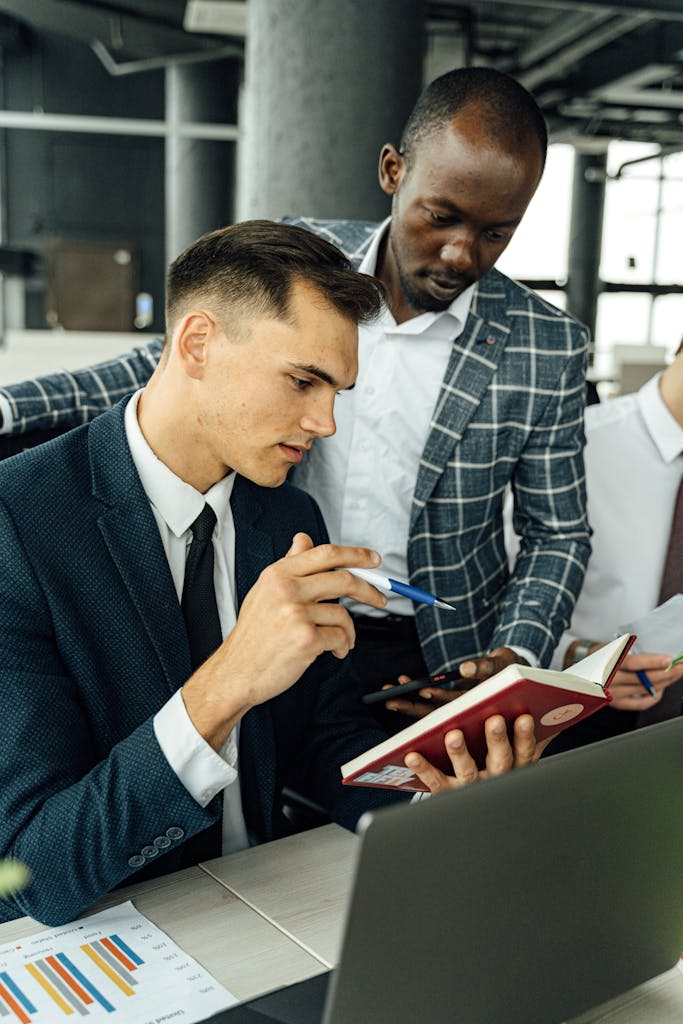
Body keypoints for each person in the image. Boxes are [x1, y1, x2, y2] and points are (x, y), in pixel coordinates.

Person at [0, 68, 591, 729]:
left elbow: (557, 532)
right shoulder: (306, 267)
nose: (460, 254)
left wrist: (513, 656)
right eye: (441, 217)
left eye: (495, 233)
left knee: (415, 821)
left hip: (443, 653)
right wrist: (7, 407)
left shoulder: (549, 346)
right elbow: (162, 365)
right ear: (393, 171)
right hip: (275, 612)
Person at [0, 221, 550, 927]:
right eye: (302, 381)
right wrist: (232, 677)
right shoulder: (19, 523)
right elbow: (33, 871)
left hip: (270, 906)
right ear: (197, 343)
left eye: (337, 392)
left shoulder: (286, 515)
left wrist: (428, 795)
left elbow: (325, 736)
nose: (324, 422)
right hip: (108, 938)